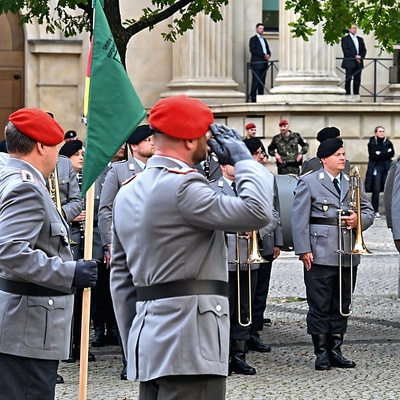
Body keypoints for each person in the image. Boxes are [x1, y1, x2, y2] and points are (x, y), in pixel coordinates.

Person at [110, 95, 272, 399]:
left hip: (150, 339)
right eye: (204, 136)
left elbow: (121, 277)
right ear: (188, 140)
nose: (208, 144)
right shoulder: (185, 186)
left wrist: (136, 340)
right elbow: (257, 212)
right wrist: (244, 161)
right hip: (192, 342)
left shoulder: (128, 190)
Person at [0, 108, 97, 400]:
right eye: (56, 147)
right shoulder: (25, 188)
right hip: (27, 328)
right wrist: (69, 272)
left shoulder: (8, 175)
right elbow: (10, 251)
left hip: (19, 324)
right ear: (41, 146)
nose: (59, 156)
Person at [291, 138, 374, 371]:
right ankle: (321, 352)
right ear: (324, 159)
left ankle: (336, 349)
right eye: (338, 154)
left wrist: (359, 220)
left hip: (347, 253)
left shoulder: (352, 181)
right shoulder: (308, 182)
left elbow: (368, 210)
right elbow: (299, 219)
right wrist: (303, 249)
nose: (342, 158)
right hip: (319, 252)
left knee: (342, 303)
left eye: (343, 154)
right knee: (319, 304)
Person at [210, 164, 260, 375]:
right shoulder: (211, 189)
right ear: (222, 166)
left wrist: (257, 226)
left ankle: (239, 355)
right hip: (223, 257)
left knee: (244, 308)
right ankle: (220, 356)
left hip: (248, 257)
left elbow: (273, 216)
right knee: (222, 309)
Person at [243, 138, 282, 351]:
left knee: (260, 290)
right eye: (257, 153)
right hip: (241, 245)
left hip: (264, 241)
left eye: (262, 153)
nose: (262, 157)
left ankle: (254, 331)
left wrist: (278, 242)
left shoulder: (268, 177)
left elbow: (276, 211)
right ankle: (241, 332)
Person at [364, 126, 394, 219]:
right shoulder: (372, 143)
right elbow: (373, 155)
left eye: (383, 131)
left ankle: (390, 210)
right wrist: (384, 153)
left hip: (386, 169)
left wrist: (380, 153)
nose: (382, 133)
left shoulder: (388, 143)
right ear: (376, 133)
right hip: (376, 169)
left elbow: (391, 154)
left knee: (388, 190)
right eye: (380, 131)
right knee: (376, 190)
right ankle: (375, 211)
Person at [341, 24, 367, 95]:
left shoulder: (360, 39)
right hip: (350, 62)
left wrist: (360, 57)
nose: (355, 29)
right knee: (348, 79)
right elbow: (346, 51)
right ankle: (348, 95)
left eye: (355, 28)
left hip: (359, 62)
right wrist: (355, 57)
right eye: (353, 28)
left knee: (357, 79)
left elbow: (364, 50)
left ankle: (356, 95)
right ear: (349, 29)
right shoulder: (345, 39)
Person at [249, 23, 271, 102]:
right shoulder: (253, 39)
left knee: (262, 82)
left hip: (264, 63)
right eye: (260, 28)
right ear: (257, 29)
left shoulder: (264, 39)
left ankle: (261, 97)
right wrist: (263, 55)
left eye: (263, 29)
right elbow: (253, 50)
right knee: (255, 81)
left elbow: (267, 49)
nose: (262, 30)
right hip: (257, 63)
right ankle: (253, 98)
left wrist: (268, 55)